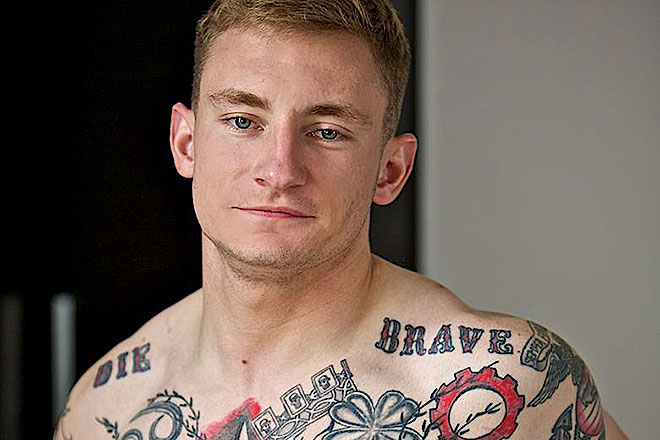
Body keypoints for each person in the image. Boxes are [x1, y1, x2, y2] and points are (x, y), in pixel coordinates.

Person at [54, 1, 628, 439]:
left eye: (327, 132)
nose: (279, 170)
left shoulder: (506, 385)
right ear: (186, 143)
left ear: (390, 171)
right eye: (242, 121)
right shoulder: (108, 407)